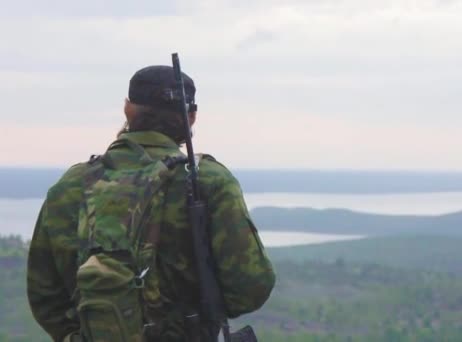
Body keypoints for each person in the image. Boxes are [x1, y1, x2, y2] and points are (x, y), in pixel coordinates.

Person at [27, 65, 276, 341]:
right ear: (191, 117)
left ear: (127, 110)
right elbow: (250, 290)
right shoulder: (207, 181)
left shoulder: (72, 185)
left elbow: (45, 297)